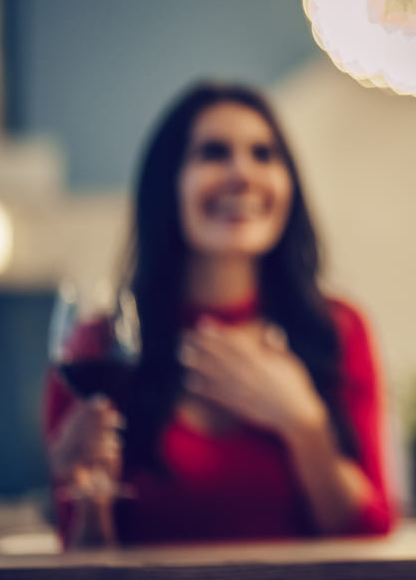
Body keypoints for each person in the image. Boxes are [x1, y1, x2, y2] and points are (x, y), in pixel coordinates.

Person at [44, 81, 396, 547]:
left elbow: (369, 537)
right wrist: (87, 498)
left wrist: (303, 423)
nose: (244, 174)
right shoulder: (96, 347)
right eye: (214, 153)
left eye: (264, 154)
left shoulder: (339, 330)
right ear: (167, 185)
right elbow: (84, 556)